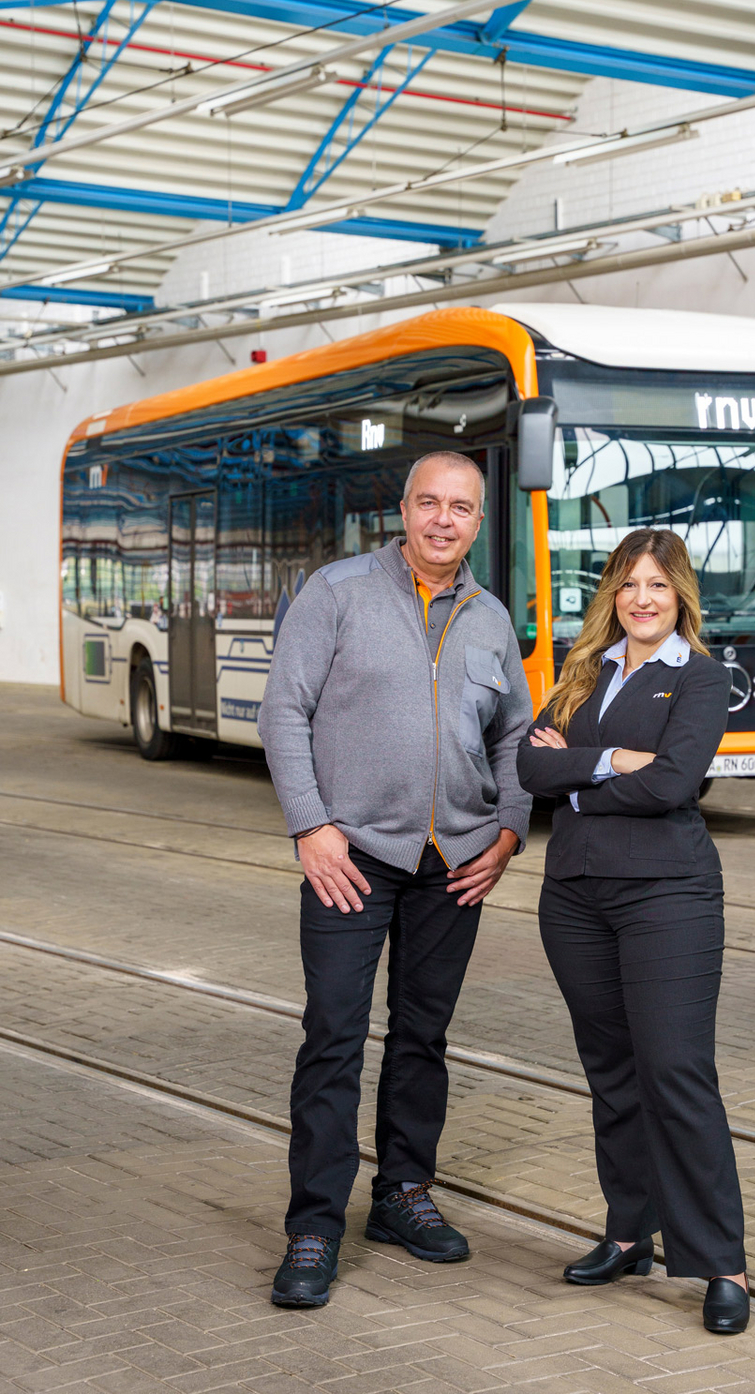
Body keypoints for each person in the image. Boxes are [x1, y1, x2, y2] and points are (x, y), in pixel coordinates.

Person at [258, 450, 533, 1309]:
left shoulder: (490, 619)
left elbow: (516, 739)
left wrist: (511, 833)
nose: (443, 520)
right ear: (403, 510)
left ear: (478, 522)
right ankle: (313, 1228)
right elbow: (282, 711)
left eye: (461, 507)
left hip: (451, 865)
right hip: (352, 861)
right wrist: (311, 825)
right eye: (429, 503)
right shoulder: (336, 592)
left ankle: (403, 1195)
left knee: (423, 1038)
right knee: (334, 1039)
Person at [516, 527, 749, 1336]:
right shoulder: (585, 672)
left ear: (680, 593)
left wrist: (578, 776)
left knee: (676, 1071)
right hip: (576, 897)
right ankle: (627, 1233)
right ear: (612, 595)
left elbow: (678, 784)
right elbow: (527, 767)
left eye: (657, 585)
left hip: (666, 896)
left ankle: (722, 1263)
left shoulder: (701, 678)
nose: (642, 599)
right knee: (612, 1071)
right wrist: (615, 763)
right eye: (627, 585)